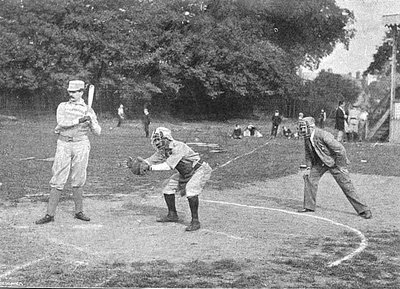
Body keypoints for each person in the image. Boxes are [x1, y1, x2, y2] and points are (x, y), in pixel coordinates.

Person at [36, 80, 102, 224]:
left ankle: (79, 211)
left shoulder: (88, 109)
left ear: (81, 92)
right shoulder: (63, 106)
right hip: (64, 144)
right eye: (70, 92)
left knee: (78, 178)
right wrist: (79, 120)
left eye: (74, 92)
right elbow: (61, 123)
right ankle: (50, 214)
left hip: (81, 144)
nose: (71, 94)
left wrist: (90, 121)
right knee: (58, 177)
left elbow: (98, 132)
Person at [296, 117, 372, 219]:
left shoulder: (323, 135)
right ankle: (309, 207)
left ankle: (364, 210)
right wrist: (309, 167)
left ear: (311, 127)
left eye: (304, 127)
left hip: (334, 162)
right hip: (320, 162)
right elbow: (308, 154)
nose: (302, 130)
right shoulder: (307, 137)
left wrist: (341, 166)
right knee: (309, 178)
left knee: (346, 185)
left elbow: (340, 149)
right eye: (301, 128)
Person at [140, 127, 212, 231]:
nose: (157, 142)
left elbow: (168, 166)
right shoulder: (163, 150)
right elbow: (151, 160)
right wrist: (139, 164)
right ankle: (172, 214)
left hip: (199, 170)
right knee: (168, 189)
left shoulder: (178, 146)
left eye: (158, 139)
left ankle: (195, 221)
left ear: (166, 138)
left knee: (191, 191)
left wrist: (150, 168)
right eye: (155, 139)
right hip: (185, 172)